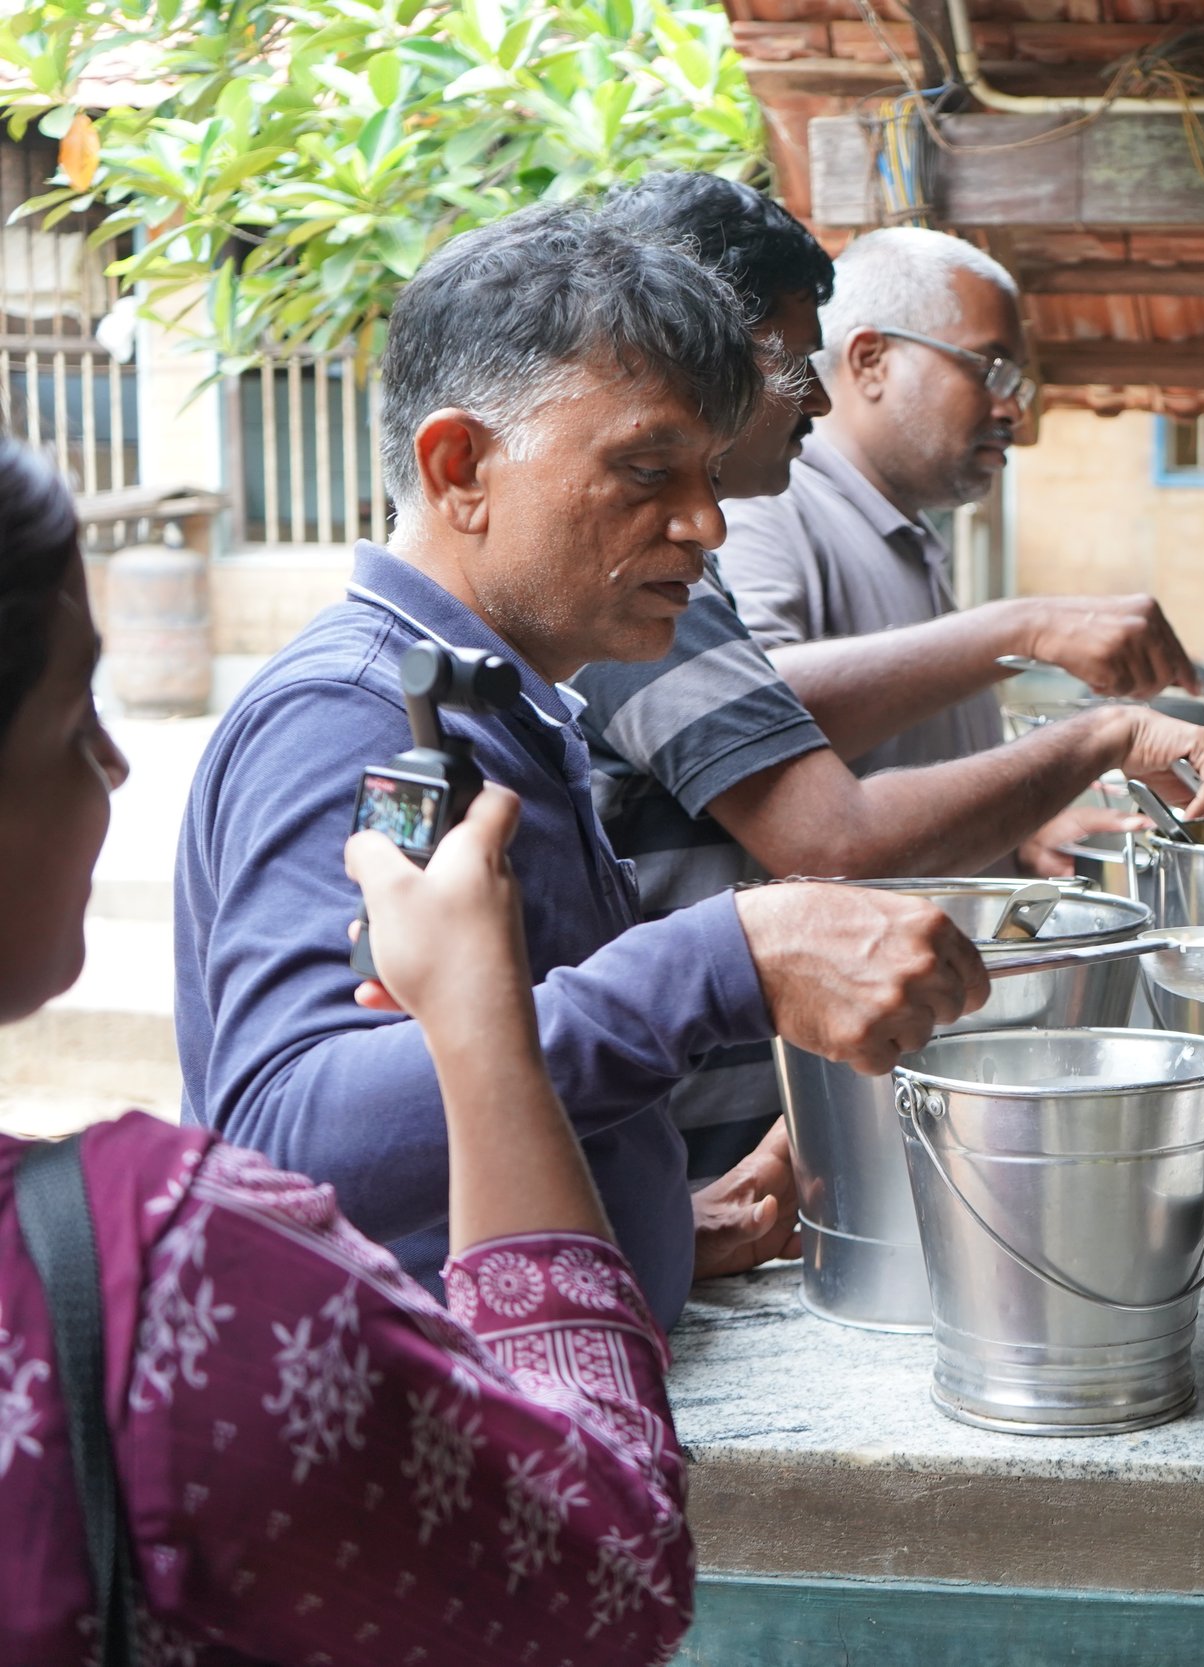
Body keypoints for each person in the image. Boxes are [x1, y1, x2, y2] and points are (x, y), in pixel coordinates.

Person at [177, 204, 991, 1331]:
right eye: (647, 470)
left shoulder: (503, 709)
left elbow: (470, 1082)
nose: (705, 523)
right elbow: (294, 1134)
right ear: (460, 467)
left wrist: (627, 1222)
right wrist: (724, 958)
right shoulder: (354, 717)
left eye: (708, 474)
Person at [0, 440, 695, 1663]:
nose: (114, 759)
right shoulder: (162, 1270)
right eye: (72, 716)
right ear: (459, 465)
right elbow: (612, 1570)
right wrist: (486, 1021)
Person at [570, 174, 1204, 1180]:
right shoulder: (667, 555)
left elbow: (762, 728)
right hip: (715, 1135)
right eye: (785, 363)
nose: (811, 397)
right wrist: (1085, 720)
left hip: (765, 1135)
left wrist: (1025, 814)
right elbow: (824, 824)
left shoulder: (806, 540)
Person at [710, 226, 1204, 809]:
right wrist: (1026, 628)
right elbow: (744, 717)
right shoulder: (768, 504)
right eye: (990, 368)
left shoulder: (901, 532)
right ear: (871, 362)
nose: (1013, 412)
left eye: (1017, 384)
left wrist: (1024, 837)